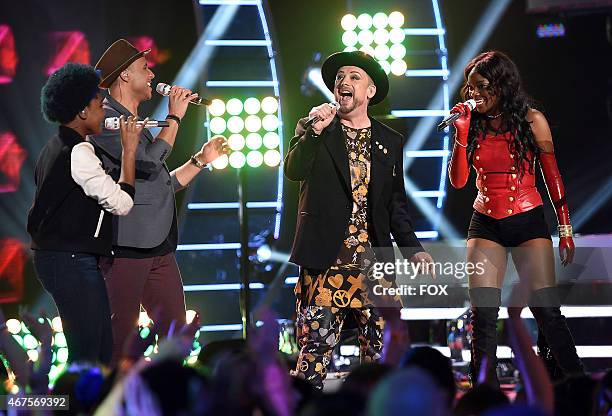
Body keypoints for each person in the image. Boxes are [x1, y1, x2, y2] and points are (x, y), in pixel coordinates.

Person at [285, 51, 433, 389]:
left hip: (372, 263)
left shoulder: (389, 140)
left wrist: (413, 249)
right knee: (315, 353)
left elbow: (395, 203)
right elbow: (293, 170)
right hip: (325, 261)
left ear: (369, 92)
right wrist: (314, 132)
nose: (344, 82)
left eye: (354, 76)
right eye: (340, 77)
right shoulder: (316, 129)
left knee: (380, 356)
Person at [448, 50, 584, 385]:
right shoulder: (471, 125)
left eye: (480, 86)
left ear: (501, 85)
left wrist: (565, 227)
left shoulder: (531, 119)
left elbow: (553, 176)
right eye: (469, 88)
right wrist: (461, 134)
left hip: (527, 218)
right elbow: (458, 181)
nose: (472, 94)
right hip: (485, 220)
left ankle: (575, 381)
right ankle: (485, 387)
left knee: (546, 311)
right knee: (482, 314)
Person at [89, 39, 228, 365]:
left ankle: (168, 396)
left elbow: (160, 185)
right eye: (144, 69)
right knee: (120, 340)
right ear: (124, 76)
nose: (152, 76)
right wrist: (175, 116)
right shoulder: (107, 122)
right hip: (127, 247)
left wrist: (200, 160)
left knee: (176, 335)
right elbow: (149, 163)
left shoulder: (139, 124)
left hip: (159, 248)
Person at [27, 62, 142, 364]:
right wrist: (129, 150)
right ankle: (73, 408)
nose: (104, 112)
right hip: (69, 259)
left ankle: (80, 406)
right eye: (99, 106)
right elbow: (122, 203)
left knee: (97, 347)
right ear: (81, 112)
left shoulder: (56, 146)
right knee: (91, 353)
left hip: (63, 257)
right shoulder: (78, 152)